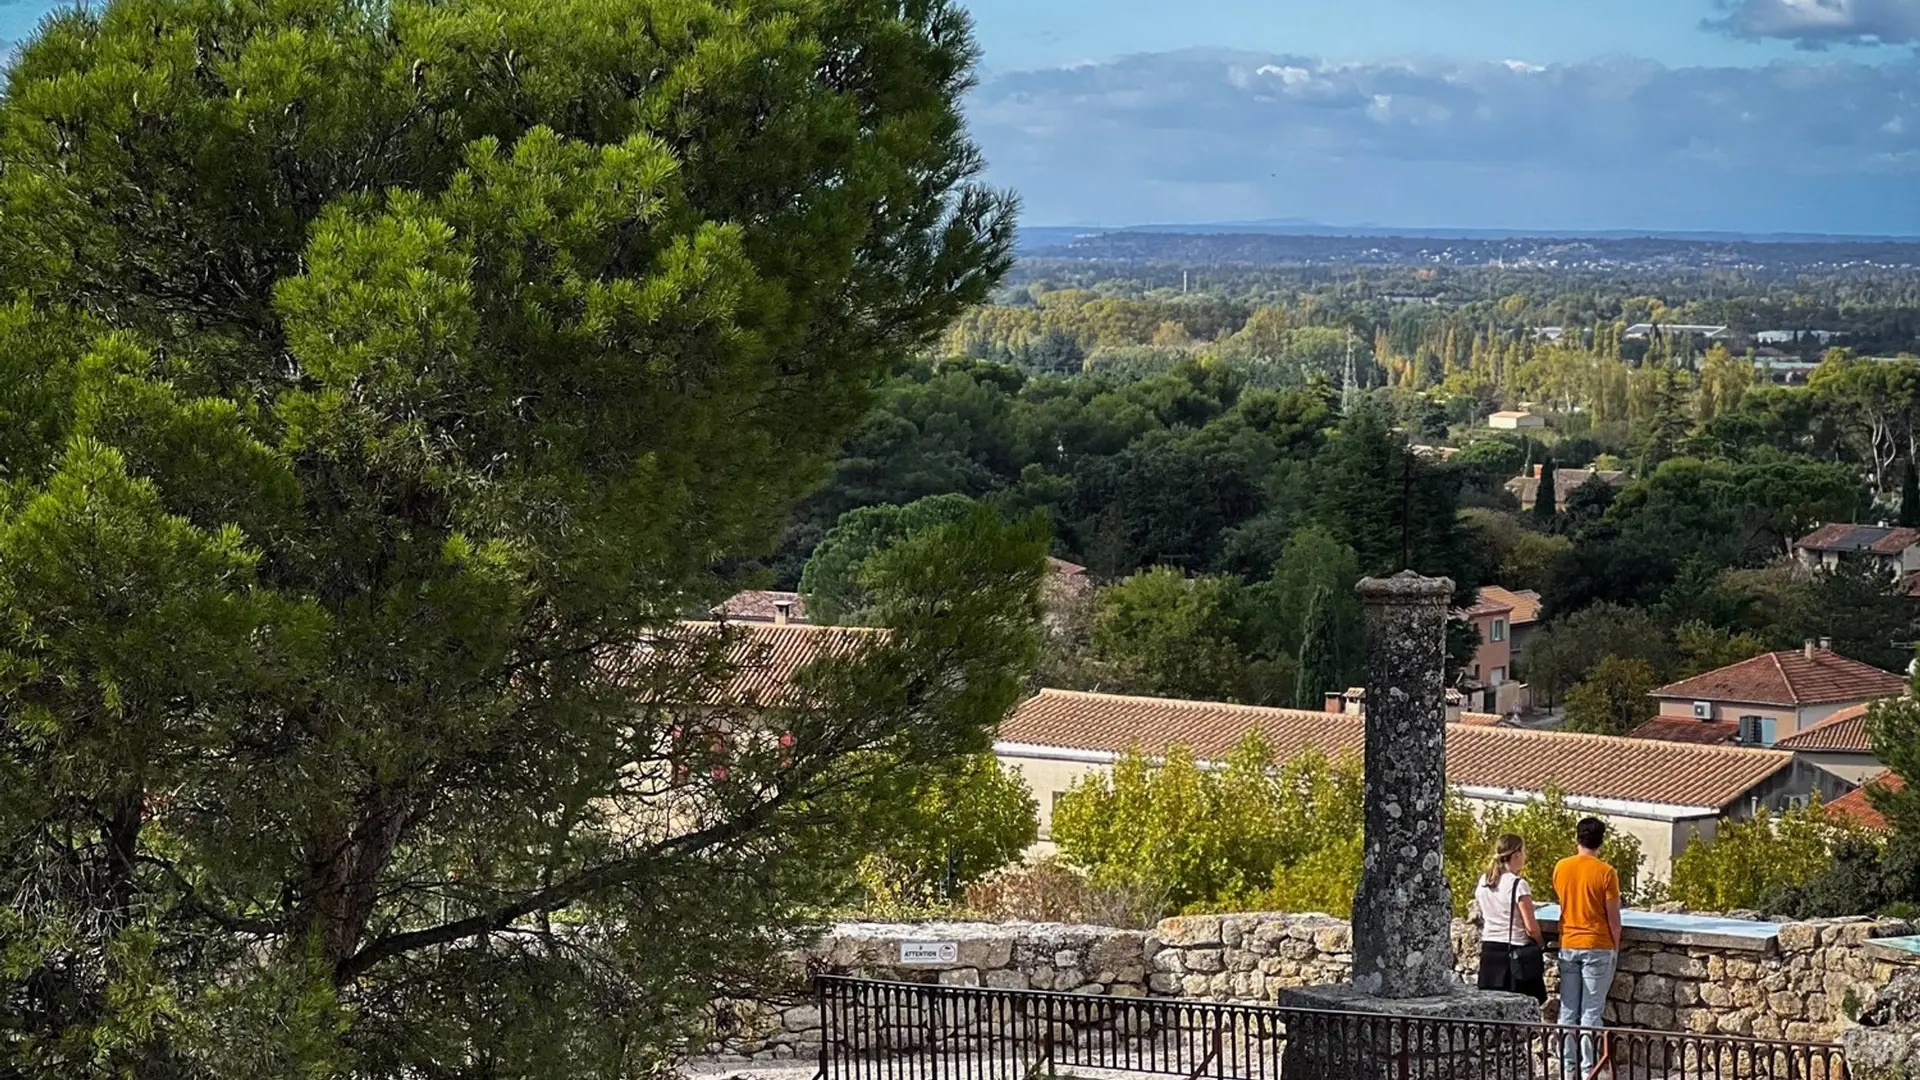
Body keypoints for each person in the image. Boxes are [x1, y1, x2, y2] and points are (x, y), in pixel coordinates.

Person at [1553, 816, 1624, 1078]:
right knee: (1591, 1013)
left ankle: (1566, 1069)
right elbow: (1613, 918)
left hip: (1568, 942)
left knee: (1568, 1011)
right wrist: (1614, 948)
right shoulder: (1606, 873)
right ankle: (1588, 1070)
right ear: (1601, 841)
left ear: (1577, 839)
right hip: (1597, 945)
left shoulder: (1562, 867)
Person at [1474, 833, 1547, 1003]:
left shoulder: (1485, 881)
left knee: (1491, 1006)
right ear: (1516, 854)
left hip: (1489, 950)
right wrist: (1540, 942)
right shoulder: (1518, 885)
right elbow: (1531, 926)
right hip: (1514, 952)